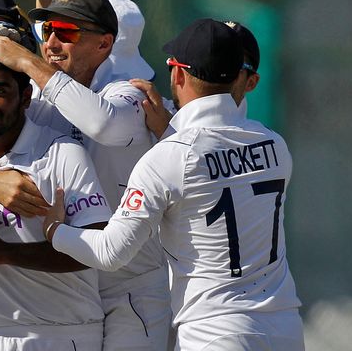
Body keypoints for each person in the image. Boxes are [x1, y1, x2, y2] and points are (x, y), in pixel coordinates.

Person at [45, 18, 305, 351]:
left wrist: (54, 230)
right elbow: (215, 172)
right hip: (285, 328)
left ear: (178, 73)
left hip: (216, 332)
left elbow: (112, 252)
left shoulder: (169, 157)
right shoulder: (274, 143)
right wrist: (169, 133)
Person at [0, 0, 172, 350]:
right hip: (76, 289)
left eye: (67, 32)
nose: (51, 43)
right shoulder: (45, 92)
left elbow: (102, 123)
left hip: (131, 287)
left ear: (105, 44)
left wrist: (27, 60)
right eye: (47, 30)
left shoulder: (130, 92)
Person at [0, 36, 113, 350]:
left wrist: (3, 252)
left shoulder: (61, 153)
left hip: (57, 334)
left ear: (26, 97)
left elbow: (98, 247)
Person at [132, 20, 261, 140]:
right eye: (206, 58)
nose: (213, 71)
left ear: (251, 82)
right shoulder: (157, 111)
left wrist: (166, 132)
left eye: (230, 65)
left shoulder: (263, 141)